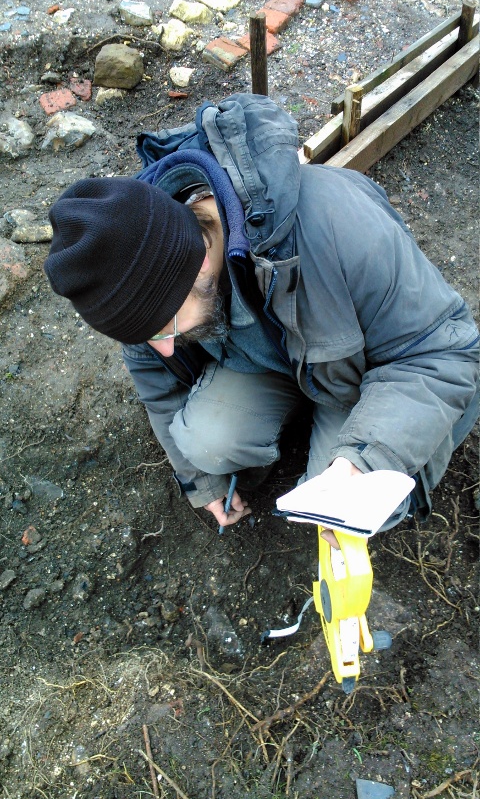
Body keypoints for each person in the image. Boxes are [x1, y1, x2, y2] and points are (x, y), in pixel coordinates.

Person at [44, 93, 479, 541]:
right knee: (205, 444)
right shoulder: (134, 274)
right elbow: (156, 380)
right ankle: (297, 419)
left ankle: (335, 440)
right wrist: (202, 483)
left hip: (362, 376)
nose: (166, 348)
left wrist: (361, 464)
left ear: (197, 266)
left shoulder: (340, 227)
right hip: (275, 365)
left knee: (362, 509)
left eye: (165, 329)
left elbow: (443, 355)